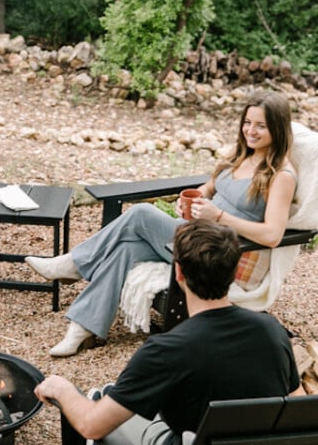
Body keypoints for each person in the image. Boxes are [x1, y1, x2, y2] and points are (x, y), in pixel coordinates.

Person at [26, 91, 297, 355]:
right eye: (247, 123)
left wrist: (219, 217)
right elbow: (208, 188)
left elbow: (273, 235)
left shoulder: (281, 175)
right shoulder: (240, 156)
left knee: (141, 213)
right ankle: (83, 328)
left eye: (260, 126)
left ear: (277, 129)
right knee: (126, 248)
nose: (251, 130)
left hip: (221, 254)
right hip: (196, 235)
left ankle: (75, 263)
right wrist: (189, 201)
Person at [34, 219, 305, 445]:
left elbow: (91, 425)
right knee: (126, 400)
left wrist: (60, 387)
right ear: (233, 273)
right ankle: (109, 396)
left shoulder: (166, 351)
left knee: (96, 406)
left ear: (177, 273)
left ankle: (101, 429)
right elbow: (300, 412)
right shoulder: (272, 331)